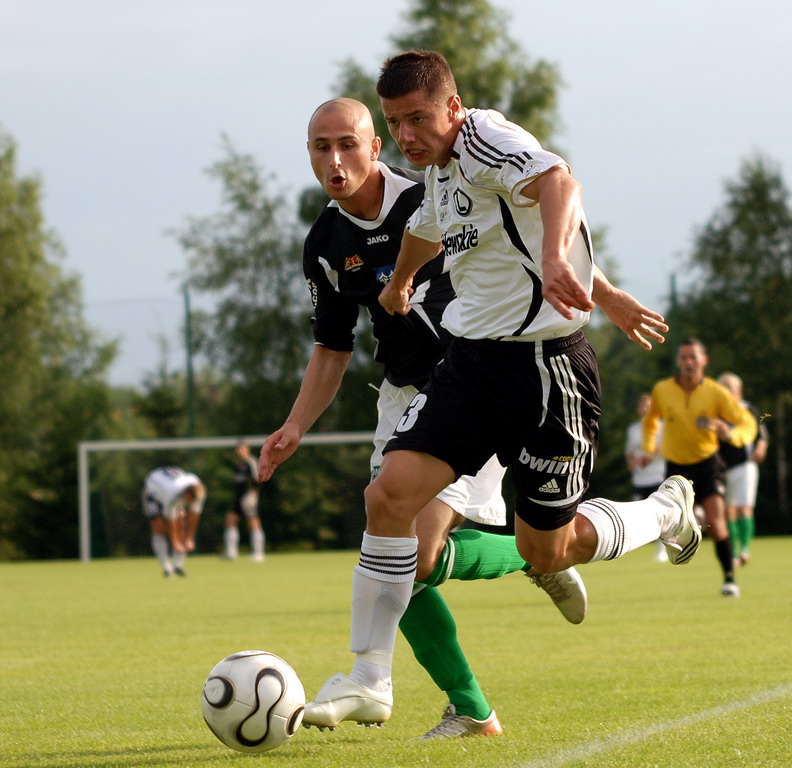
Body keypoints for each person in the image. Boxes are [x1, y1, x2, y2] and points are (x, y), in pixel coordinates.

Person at [301, 50, 701, 729]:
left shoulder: (485, 137)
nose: (408, 137)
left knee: (547, 547)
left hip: (548, 371)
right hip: (471, 367)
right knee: (387, 495)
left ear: (452, 108)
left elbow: (557, 182)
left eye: (418, 120)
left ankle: (663, 511)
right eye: (397, 124)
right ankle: (371, 677)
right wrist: (398, 283)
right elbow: (431, 225)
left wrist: (555, 259)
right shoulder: (440, 169)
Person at [260, 96, 588, 739]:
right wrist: (296, 424)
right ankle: (471, 708)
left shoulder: (432, 197)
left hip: (472, 385)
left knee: (414, 553)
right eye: (321, 147)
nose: (335, 159)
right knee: (392, 546)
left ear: (374, 147)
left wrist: (597, 288)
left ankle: (533, 557)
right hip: (401, 397)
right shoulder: (324, 243)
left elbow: (522, 234)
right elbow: (333, 346)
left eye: (348, 143)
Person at [642, 339, 757, 597]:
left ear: (704, 360)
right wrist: (649, 449)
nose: (688, 362)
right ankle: (692, 520)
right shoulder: (662, 389)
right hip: (676, 468)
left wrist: (732, 435)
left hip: (708, 464)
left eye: (693, 357)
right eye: (683, 358)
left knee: (718, 524)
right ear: (678, 362)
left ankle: (729, 579)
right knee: (672, 526)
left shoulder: (716, 392)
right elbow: (650, 422)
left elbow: (748, 423)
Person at [716, 372, 768, 567]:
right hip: (722, 467)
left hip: (745, 465)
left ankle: (745, 549)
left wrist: (761, 447)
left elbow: (761, 433)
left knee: (743, 507)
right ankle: (734, 551)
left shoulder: (747, 409)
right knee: (727, 510)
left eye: (729, 388)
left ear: (739, 390)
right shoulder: (716, 413)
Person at [625, 393, 668, 562]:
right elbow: (629, 451)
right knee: (639, 513)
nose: (645, 408)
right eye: (642, 405)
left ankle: (662, 548)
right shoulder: (633, 429)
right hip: (640, 477)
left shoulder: (662, 426)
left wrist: (649, 457)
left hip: (658, 474)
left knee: (659, 513)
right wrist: (633, 464)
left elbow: (663, 446)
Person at [141, 466, 206, 577]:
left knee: (181, 523)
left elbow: (195, 514)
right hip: (154, 491)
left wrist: (189, 538)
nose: (190, 504)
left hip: (172, 488)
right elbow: (169, 521)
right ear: (186, 495)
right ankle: (166, 567)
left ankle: (178, 565)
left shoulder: (199, 491)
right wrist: (175, 542)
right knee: (159, 528)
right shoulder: (170, 494)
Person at [223, 440, 265, 561]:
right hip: (238, 498)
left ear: (247, 449)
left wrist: (253, 495)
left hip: (248, 498)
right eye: (237, 449)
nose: (239, 451)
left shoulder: (251, 462)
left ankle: (259, 553)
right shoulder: (238, 464)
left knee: (253, 523)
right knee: (230, 521)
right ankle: (231, 552)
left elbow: (258, 479)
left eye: (242, 449)